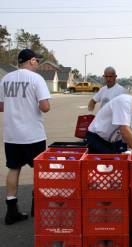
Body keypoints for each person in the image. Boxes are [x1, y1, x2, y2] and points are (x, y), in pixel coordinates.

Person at [0, 48, 51, 225]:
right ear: (30, 61)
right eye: (36, 61)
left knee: (13, 169)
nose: (37, 63)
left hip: (12, 135)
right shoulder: (37, 79)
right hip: (33, 135)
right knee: (39, 170)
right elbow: (44, 107)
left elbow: (1, 106)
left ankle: (11, 211)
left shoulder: (5, 79)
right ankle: (36, 207)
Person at [86, 79, 132, 154]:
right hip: (97, 138)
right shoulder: (124, 100)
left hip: (115, 142)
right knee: (107, 163)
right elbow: (125, 131)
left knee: (119, 162)